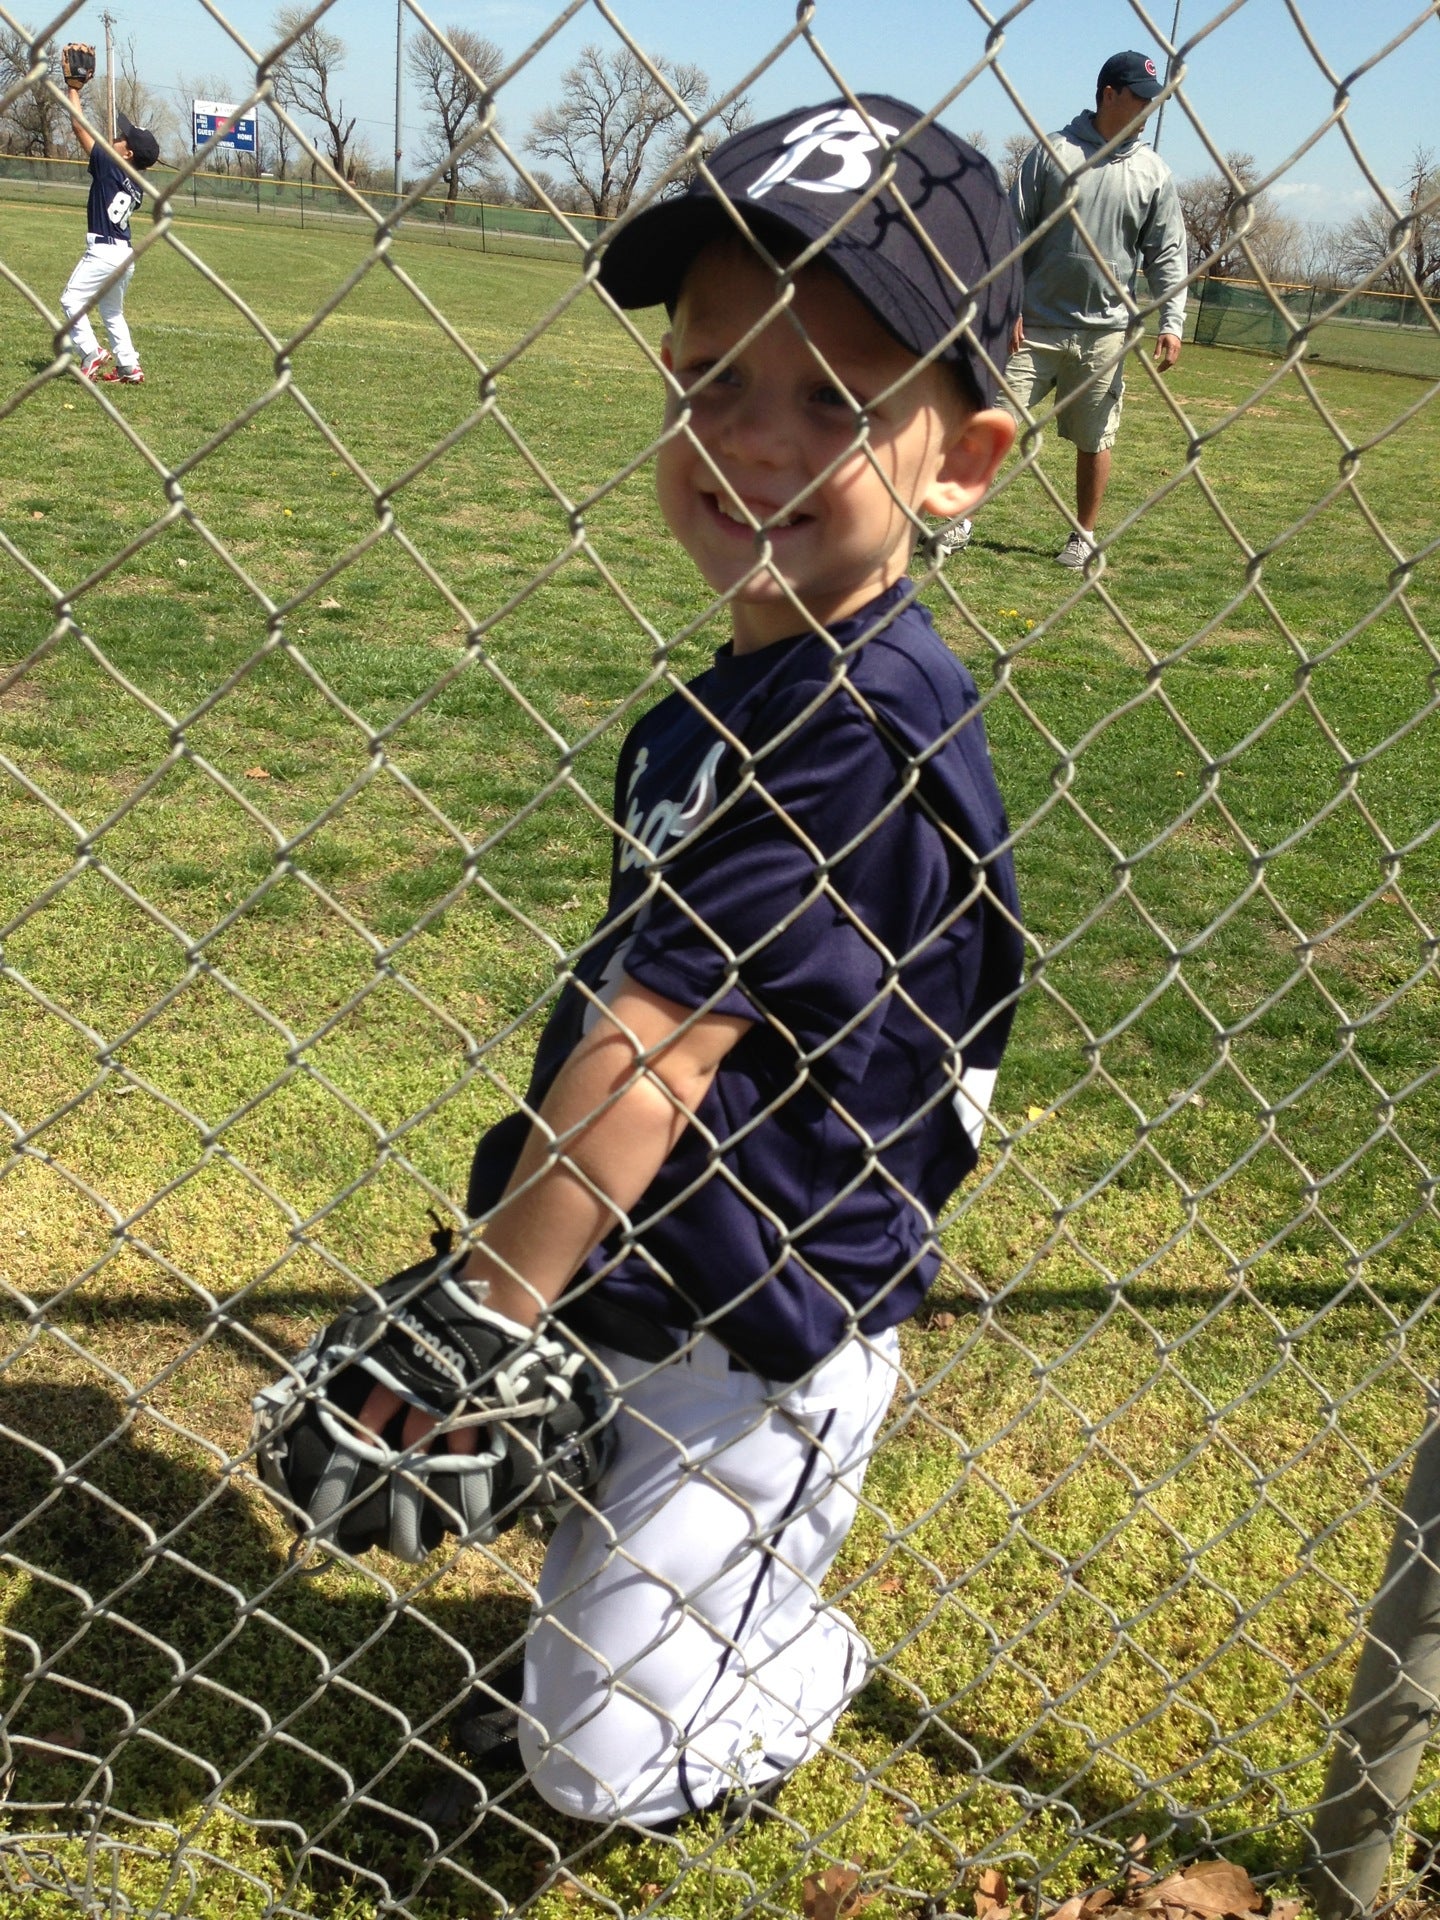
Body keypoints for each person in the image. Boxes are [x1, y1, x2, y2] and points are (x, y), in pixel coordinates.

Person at [361, 97, 1027, 1831]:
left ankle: (800, 1660)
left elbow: (658, 1045)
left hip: (770, 1329)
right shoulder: (725, 704)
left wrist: (483, 1314)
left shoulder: (858, 724)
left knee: (593, 1766)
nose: (755, 441)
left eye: (839, 399)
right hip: (657, 1267)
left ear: (962, 460)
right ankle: (689, 1581)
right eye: (712, 376)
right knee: (595, 1607)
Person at [1005, 50, 1187, 567]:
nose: (1149, 109)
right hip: (1034, 322)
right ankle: (959, 519)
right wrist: (1006, 304)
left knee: (1095, 439)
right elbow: (1011, 233)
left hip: (1105, 333)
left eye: (1155, 101)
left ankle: (1083, 535)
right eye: (1139, 98)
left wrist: (1172, 321)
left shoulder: (1153, 172)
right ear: (1109, 93)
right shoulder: (1051, 153)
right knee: (993, 421)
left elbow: (1167, 254)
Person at [60, 84, 160, 386]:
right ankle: (129, 366)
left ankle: (91, 352)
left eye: (122, 138)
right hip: (125, 255)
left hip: (102, 252)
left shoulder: (109, 164)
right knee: (112, 312)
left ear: (127, 153)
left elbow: (79, 127)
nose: (115, 138)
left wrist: (73, 89)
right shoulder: (137, 183)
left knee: (70, 300)